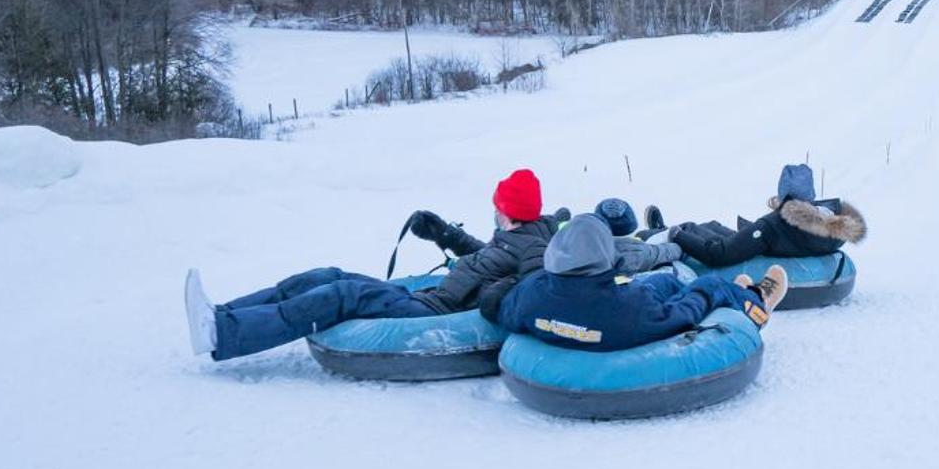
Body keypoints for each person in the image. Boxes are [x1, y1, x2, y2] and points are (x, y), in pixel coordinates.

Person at [183, 168, 555, 361]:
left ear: (506, 210)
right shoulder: (514, 237)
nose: (493, 209)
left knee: (342, 294)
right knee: (329, 275)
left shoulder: (532, 247)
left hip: (431, 312)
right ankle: (222, 313)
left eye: (497, 204)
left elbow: (537, 290)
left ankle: (223, 334)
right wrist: (442, 233)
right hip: (430, 297)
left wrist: (495, 293)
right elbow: (484, 260)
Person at [495, 213, 787, 352]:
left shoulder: (529, 295)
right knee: (708, 286)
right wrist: (704, 294)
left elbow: (496, 306)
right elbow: (681, 315)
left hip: (579, 298)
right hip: (615, 310)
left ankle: (734, 290)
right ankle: (756, 301)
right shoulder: (631, 309)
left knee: (662, 282)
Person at [647, 163, 867, 269]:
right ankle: (670, 229)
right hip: (783, 244)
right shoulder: (833, 223)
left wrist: (677, 236)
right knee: (713, 225)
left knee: (691, 230)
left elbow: (720, 256)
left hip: (768, 242)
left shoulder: (774, 224)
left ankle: (660, 233)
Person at [594, 197, 685, 273]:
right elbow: (671, 251)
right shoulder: (638, 253)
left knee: (643, 236)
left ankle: (659, 229)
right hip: (636, 279)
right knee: (648, 237)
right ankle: (661, 229)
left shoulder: (585, 248)